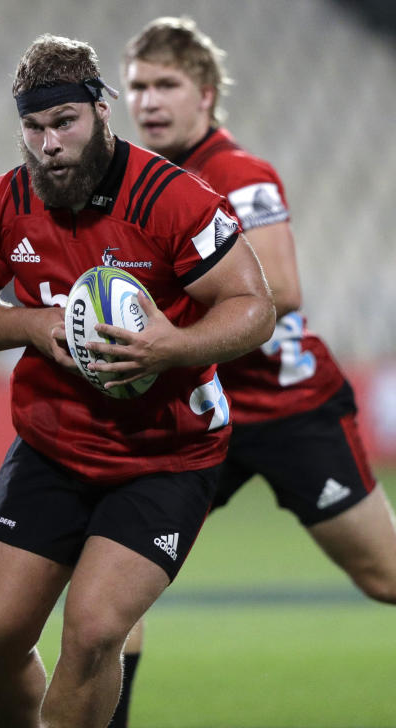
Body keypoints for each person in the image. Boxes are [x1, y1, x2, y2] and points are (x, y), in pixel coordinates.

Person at [0, 33, 275, 728]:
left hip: (165, 457)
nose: (48, 142)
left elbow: (253, 308)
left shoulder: (173, 199)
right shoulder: (3, 203)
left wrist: (172, 346)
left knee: (89, 632)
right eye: (33, 127)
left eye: (63, 123)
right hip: (53, 447)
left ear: (101, 112)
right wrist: (30, 324)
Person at [116, 15, 396, 725]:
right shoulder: (139, 183)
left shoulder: (238, 174)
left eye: (166, 84)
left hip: (286, 407)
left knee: (384, 576)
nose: (148, 100)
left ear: (205, 93)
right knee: (111, 583)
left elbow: (280, 290)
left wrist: (154, 324)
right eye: (137, 86)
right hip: (197, 413)